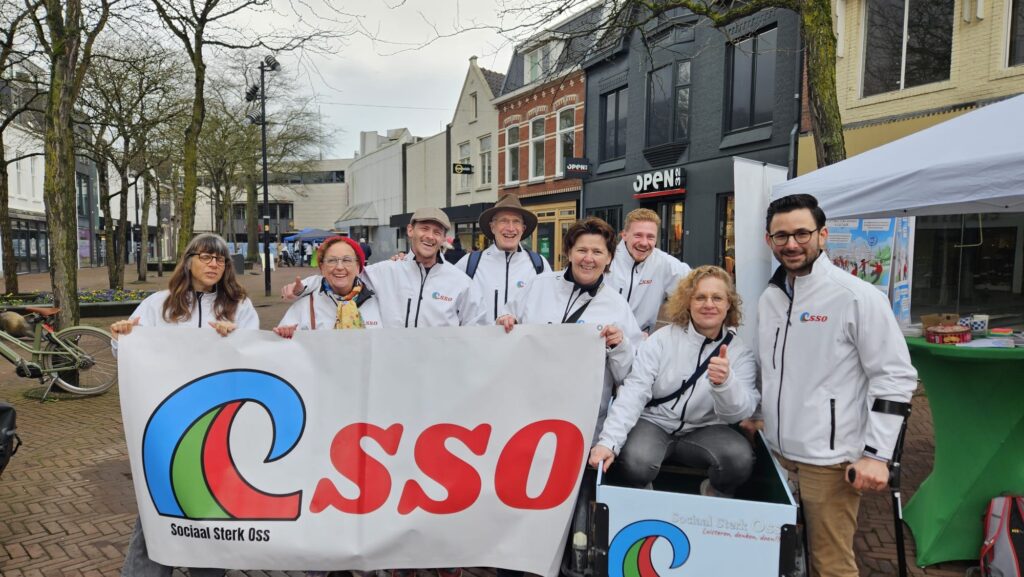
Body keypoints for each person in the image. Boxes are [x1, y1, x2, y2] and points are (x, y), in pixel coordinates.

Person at [756, 193, 916, 577]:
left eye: (801, 233)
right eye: (781, 236)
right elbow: (773, 369)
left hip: (828, 461)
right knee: (781, 557)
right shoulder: (770, 298)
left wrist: (878, 455)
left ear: (822, 235)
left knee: (830, 564)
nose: (792, 244)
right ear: (769, 241)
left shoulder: (856, 296)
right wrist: (758, 414)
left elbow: (894, 376)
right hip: (778, 453)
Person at [496, 217, 641, 577]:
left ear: (610, 258)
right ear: (568, 253)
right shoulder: (538, 287)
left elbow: (630, 375)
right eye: (581, 250)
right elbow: (506, 331)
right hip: (527, 422)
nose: (588, 258)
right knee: (521, 503)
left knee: (568, 514)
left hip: (580, 428)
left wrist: (620, 346)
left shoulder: (617, 307)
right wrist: (505, 323)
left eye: (597, 251)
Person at [110, 233, 259, 577]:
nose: (213, 265)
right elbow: (129, 351)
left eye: (220, 260)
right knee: (159, 503)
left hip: (218, 419)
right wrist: (120, 337)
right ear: (189, 260)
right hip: (168, 421)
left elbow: (253, 357)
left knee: (211, 503)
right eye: (206, 257)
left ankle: (208, 570)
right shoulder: (158, 304)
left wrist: (235, 337)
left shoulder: (239, 305)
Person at [588, 265, 759, 497]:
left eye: (717, 298)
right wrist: (608, 442)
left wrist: (725, 384)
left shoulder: (739, 353)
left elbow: (738, 414)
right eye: (700, 297)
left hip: (704, 429)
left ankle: (713, 493)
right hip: (654, 423)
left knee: (739, 459)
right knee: (636, 462)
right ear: (688, 302)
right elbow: (634, 391)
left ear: (729, 304)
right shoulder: (662, 340)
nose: (709, 304)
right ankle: (643, 501)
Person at [283, 208, 486, 328]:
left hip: (437, 378)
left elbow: (477, 326)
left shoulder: (460, 282)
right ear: (410, 230)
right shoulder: (385, 271)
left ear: (443, 238)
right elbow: (341, 274)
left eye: (437, 231)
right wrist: (303, 288)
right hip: (389, 376)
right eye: (424, 228)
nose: (430, 236)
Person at [454, 193, 551, 321]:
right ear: (492, 227)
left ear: (523, 229)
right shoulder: (469, 263)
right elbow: (448, 306)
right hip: (478, 341)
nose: (510, 228)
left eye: (516, 221)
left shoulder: (539, 265)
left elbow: (549, 308)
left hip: (523, 341)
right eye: (504, 221)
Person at [274, 236, 382, 337]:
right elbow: (284, 350)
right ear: (322, 268)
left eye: (347, 260)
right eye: (332, 261)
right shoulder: (304, 306)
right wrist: (287, 337)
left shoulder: (379, 302)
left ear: (358, 267)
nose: (339, 267)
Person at [607, 208, 692, 335]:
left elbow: (697, 283)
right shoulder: (605, 259)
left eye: (650, 237)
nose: (644, 243)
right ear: (624, 235)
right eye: (638, 235)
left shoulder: (663, 263)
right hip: (602, 342)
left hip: (641, 345)